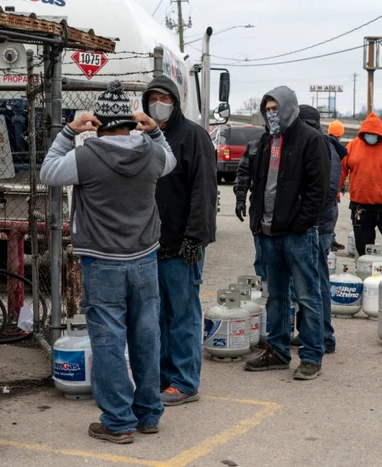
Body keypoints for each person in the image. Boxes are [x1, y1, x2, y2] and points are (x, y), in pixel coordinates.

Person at [40, 81, 176, 444]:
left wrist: (69, 131)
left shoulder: (87, 157)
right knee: (147, 337)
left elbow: (48, 172)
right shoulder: (151, 153)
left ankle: (118, 422)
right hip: (145, 259)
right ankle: (148, 414)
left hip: (102, 263)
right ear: (132, 124)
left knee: (109, 342)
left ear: (99, 123)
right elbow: (171, 161)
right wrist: (156, 132)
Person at [243, 86, 330, 380]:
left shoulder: (311, 140)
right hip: (268, 234)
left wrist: (300, 224)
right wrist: (257, 220)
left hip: (298, 236)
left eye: (275, 109)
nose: (271, 115)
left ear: (289, 108)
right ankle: (277, 352)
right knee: (276, 296)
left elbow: (318, 190)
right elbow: (259, 183)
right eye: (267, 110)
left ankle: (311, 356)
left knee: (307, 296)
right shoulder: (267, 141)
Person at [141, 76, 218, 405]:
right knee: (157, 317)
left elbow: (205, 191)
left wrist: (196, 237)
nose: (158, 103)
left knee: (183, 315)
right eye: (153, 98)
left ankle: (186, 381)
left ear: (175, 101)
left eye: (164, 98)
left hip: (182, 244)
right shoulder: (143, 138)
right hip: (150, 244)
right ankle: (163, 377)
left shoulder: (193, 136)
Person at [298, 105, 339, 353]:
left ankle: (323, 336)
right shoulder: (314, 142)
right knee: (307, 280)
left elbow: (328, 189)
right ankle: (310, 331)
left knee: (317, 281)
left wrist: (306, 216)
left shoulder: (323, 146)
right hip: (315, 222)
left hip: (319, 224)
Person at [340, 112, 382, 257]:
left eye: (373, 134)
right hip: (361, 206)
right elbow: (341, 170)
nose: (370, 136)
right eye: (367, 133)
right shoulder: (352, 146)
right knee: (364, 250)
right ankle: (367, 276)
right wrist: (335, 190)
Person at [234, 133, 266, 281]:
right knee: (262, 258)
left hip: (287, 215)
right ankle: (267, 295)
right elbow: (243, 173)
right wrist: (240, 199)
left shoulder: (296, 143)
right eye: (269, 110)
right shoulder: (255, 145)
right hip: (260, 211)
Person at [327, 120, 348, 252]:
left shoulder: (328, 145)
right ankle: (329, 240)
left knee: (332, 217)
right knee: (331, 217)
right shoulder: (333, 148)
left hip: (333, 190)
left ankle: (331, 239)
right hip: (331, 191)